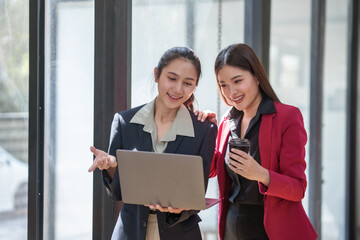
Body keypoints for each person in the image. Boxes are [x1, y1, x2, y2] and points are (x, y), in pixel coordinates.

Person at [88, 47, 217, 240]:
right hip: (130, 233)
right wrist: (111, 167)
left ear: (195, 86)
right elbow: (118, 193)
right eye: (171, 78)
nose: (178, 89)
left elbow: (197, 193)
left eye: (187, 83)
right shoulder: (125, 122)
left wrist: (181, 207)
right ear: (157, 75)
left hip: (180, 234)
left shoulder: (204, 131)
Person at [201, 43, 317, 240]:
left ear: (256, 76)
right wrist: (202, 129)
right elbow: (211, 169)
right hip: (232, 226)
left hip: (271, 229)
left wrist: (262, 175)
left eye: (238, 81)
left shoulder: (287, 117)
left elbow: (298, 188)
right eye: (223, 85)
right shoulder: (226, 122)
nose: (231, 92)